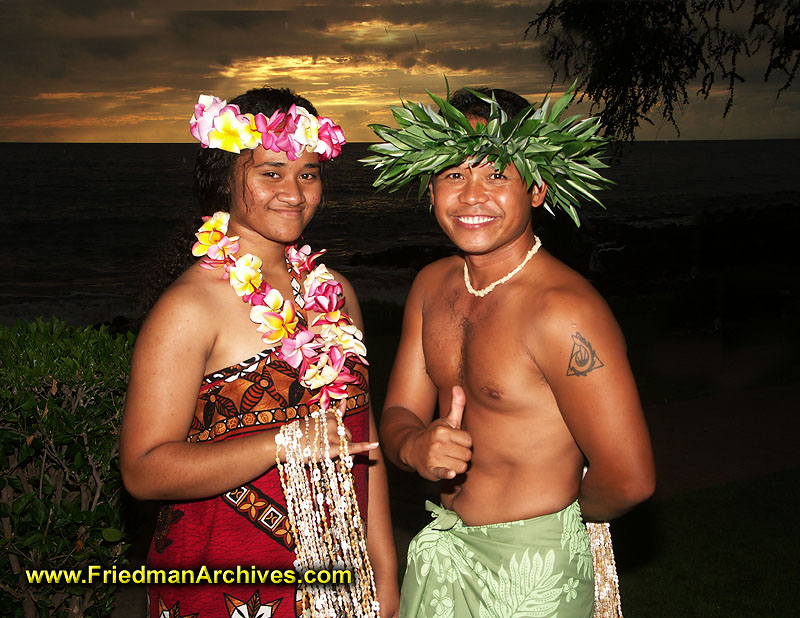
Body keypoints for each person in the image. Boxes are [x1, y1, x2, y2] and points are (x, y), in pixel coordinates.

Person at [365, 85, 656, 617]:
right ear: (429, 189)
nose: (472, 195)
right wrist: (415, 447)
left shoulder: (562, 311)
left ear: (538, 189)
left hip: (533, 570)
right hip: (443, 547)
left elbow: (630, 477)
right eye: (454, 173)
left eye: (497, 173)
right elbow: (399, 414)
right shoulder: (431, 287)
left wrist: (558, 523)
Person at [120, 87, 399, 618]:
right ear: (225, 177)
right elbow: (143, 470)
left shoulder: (336, 293)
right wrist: (287, 442)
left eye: (308, 173)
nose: (294, 192)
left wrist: (383, 573)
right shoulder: (191, 307)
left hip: (343, 580)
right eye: (270, 172)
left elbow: (362, 441)